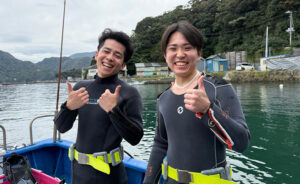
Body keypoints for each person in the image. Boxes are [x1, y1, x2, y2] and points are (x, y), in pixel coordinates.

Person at [143, 21, 250, 184]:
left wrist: (208, 110)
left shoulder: (217, 88)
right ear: (165, 55)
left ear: (199, 53)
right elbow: (160, 144)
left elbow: (242, 142)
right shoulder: (163, 98)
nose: (180, 54)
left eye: (187, 48)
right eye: (173, 48)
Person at [54, 28, 143, 184]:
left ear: (122, 65)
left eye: (117, 55)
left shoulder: (129, 93)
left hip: (110, 176)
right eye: (106, 51)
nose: (109, 58)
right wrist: (68, 107)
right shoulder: (81, 87)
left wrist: (113, 111)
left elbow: (135, 138)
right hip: (78, 173)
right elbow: (61, 127)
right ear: (97, 55)